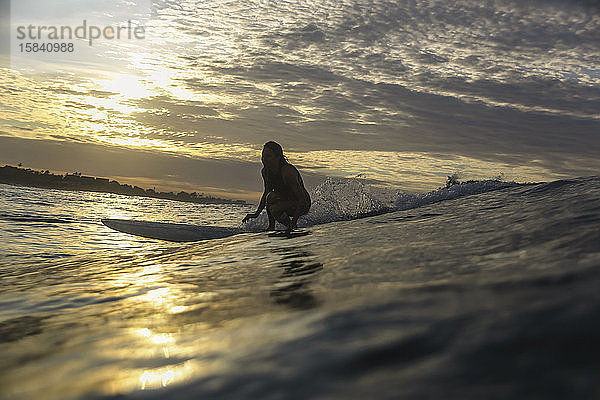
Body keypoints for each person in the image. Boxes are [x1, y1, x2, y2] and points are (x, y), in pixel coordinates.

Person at [242, 141, 311, 232]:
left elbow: (302, 199)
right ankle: (272, 227)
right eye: (263, 156)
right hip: (286, 200)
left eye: (268, 156)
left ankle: (292, 225)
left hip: (302, 204)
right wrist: (256, 214)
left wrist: (294, 222)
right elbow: (266, 194)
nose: (264, 159)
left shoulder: (287, 172)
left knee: (275, 208)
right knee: (270, 197)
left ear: (278, 157)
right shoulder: (265, 172)